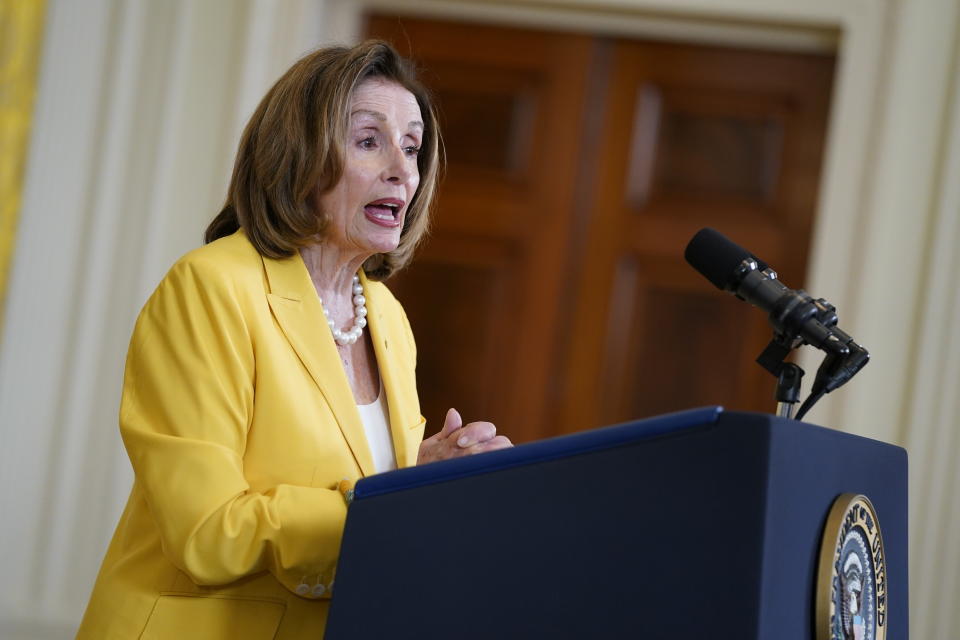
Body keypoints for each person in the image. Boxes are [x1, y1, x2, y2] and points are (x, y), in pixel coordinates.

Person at [77, 40, 512, 639]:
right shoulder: (211, 287)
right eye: (369, 141)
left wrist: (444, 484)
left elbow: (379, 513)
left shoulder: (386, 317)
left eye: (412, 147)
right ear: (298, 158)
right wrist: (391, 502)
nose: (402, 169)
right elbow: (207, 531)